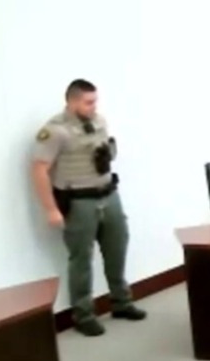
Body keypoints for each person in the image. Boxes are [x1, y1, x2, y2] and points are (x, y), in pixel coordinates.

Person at [30, 79, 147, 337]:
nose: (94, 106)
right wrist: (50, 209)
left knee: (117, 247)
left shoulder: (99, 121)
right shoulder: (54, 131)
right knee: (81, 258)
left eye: (95, 101)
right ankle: (83, 313)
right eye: (88, 102)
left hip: (108, 193)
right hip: (79, 201)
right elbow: (39, 169)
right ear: (71, 101)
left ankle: (121, 302)